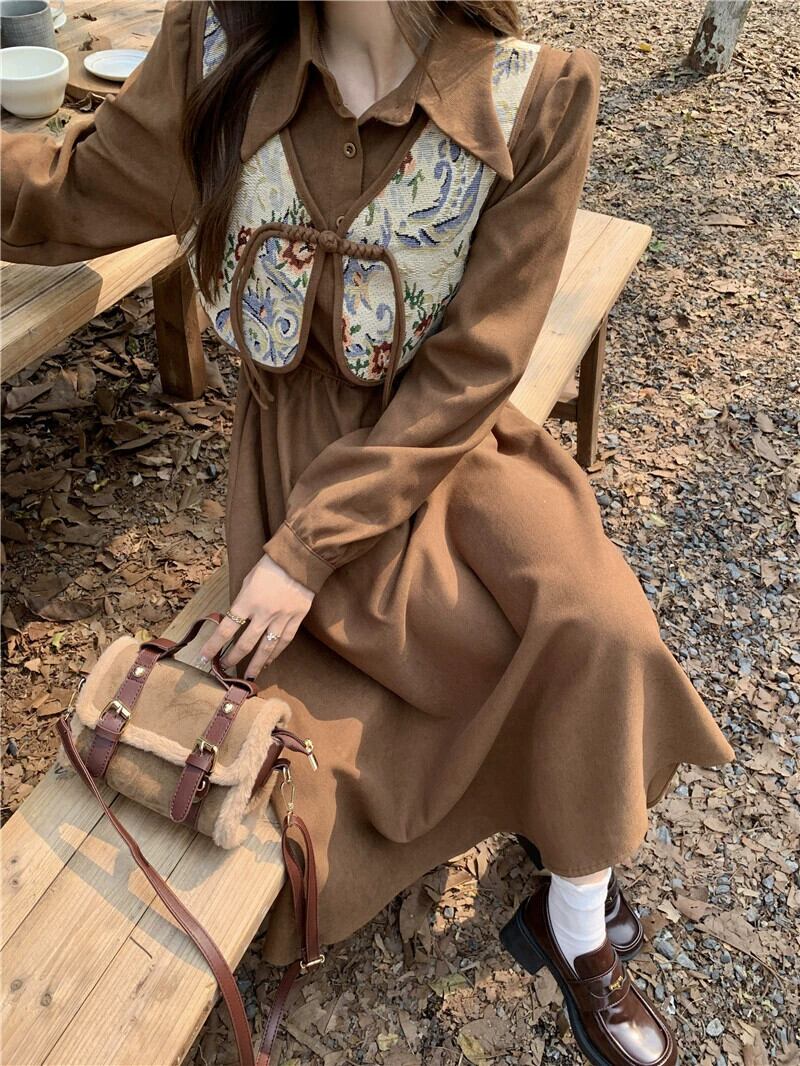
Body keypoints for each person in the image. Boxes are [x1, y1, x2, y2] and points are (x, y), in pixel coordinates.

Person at [1, 2, 735, 1063]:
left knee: (600, 628)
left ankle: (570, 908)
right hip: (294, 464)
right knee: (375, 703)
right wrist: (296, 546)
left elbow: (476, 365)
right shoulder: (216, 49)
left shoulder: (535, 95)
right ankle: (576, 882)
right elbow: (73, 190)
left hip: (444, 442)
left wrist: (310, 550)